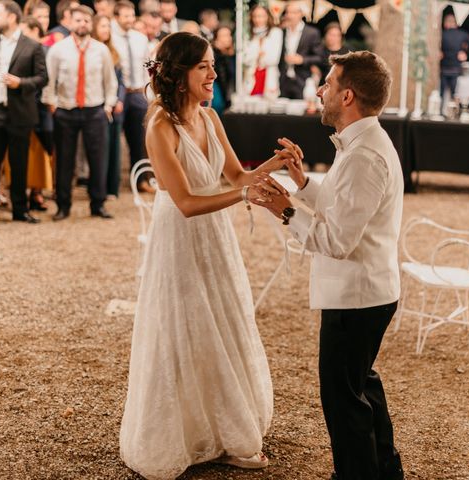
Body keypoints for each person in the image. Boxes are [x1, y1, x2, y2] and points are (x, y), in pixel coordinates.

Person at [119, 31, 297, 479]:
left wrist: (272, 168)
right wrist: (244, 197)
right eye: (204, 67)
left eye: (213, 65)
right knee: (187, 324)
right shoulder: (160, 126)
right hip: (179, 237)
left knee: (222, 318)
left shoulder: (211, 117)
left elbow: (235, 175)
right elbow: (186, 202)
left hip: (215, 237)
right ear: (180, 75)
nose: (215, 74)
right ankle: (185, 431)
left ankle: (223, 429)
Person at [261, 51, 405, 480]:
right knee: (363, 387)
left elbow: (338, 241)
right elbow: (343, 206)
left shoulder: (364, 156)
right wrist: (303, 185)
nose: (319, 90)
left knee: (344, 402)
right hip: (369, 290)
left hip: (357, 295)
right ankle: (386, 470)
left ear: (347, 95)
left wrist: (286, 211)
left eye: (327, 83)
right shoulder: (361, 143)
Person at [42, 5, 118, 221]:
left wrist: (108, 105)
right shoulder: (59, 49)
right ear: (71, 22)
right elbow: (50, 79)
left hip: (95, 110)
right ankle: (63, 206)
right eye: (78, 20)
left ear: (91, 24)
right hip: (66, 110)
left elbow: (110, 81)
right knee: (65, 160)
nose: (82, 24)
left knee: (98, 159)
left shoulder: (100, 50)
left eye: (86, 20)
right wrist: (52, 103)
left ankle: (98, 204)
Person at [0, 0, 47, 230]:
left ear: (12, 17)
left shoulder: (32, 46)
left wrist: (20, 82)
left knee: (19, 163)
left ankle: (20, 210)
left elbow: (43, 78)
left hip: (20, 113)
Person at [112, 0, 151, 192]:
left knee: (140, 138)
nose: (129, 19)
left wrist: (147, 92)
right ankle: (112, 183)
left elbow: (146, 67)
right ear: (117, 17)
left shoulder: (140, 38)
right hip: (119, 93)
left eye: (131, 15)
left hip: (137, 92)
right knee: (114, 138)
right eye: (125, 15)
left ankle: (141, 180)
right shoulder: (110, 37)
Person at [20, 15, 52, 211]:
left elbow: (47, 78)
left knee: (45, 149)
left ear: (35, 31)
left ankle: (38, 190)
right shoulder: (20, 50)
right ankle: (26, 192)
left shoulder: (47, 50)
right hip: (24, 106)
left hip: (44, 107)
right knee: (26, 153)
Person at [92, 13, 125, 199]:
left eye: (108, 26)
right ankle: (99, 189)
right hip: (97, 105)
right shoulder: (92, 51)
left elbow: (120, 81)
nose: (107, 30)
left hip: (115, 106)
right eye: (103, 26)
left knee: (114, 147)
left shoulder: (114, 52)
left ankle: (113, 188)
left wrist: (118, 100)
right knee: (99, 149)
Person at [278, 2, 321, 99]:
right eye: (287, 12)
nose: (289, 15)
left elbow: (319, 57)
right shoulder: (282, 31)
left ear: (301, 14)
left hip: (302, 80)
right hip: (283, 81)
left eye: (293, 12)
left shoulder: (311, 33)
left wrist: (302, 59)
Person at [243, 4, 283, 97]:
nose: (258, 19)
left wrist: (256, 57)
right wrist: (258, 54)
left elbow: (273, 59)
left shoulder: (276, 32)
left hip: (269, 77)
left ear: (267, 17)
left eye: (261, 16)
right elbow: (245, 60)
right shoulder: (248, 34)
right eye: (255, 16)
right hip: (252, 77)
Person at [440, 13, 469, 101]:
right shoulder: (463, 34)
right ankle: (455, 113)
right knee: (455, 95)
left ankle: (441, 112)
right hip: (455, 68)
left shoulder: (442, 34)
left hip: (444, 68)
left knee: (442, 95)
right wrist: (465, 52)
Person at [212, 25, 235, 114]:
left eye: (228, 35)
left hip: (227, 95)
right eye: (223, 36)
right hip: (218, 93)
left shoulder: (231, 55)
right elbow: (221, 78)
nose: (227, 38)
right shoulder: (215, 55)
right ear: (216, 38)